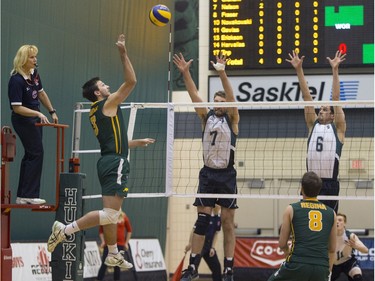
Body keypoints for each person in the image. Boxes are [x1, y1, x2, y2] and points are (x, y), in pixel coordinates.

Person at [47, 34, 155, 271]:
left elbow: (113, 140)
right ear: (97, 93)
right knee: (109, 215)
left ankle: (113, 253)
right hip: (114, 162)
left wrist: (135, 143)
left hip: (110, 159)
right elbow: (131, 81)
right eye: (103, 85)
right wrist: (123, 52)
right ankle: (65, 229)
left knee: (112, 214)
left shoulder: (97, 110)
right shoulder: (107, 104)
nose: (107, 86)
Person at [173, 52, 239, 281]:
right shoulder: (206, 117)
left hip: (227, 175)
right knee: (201, 221)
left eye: (223, 102)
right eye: (217, 102)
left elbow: (231, 98)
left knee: (228, 224)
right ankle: (192, 267)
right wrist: (185, 73)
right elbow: (193, 95)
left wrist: (222, 72)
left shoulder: (232, 119)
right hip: (208, 175)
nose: (220, 105)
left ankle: (229, 268)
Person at [286, 50, 347, 213]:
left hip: (329, 183)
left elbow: (336, 98)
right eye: (320, 108)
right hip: (310, 183)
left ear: (333, 115)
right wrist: (298, 70)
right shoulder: (313, 125)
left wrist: (335, 70)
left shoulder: (338, 129)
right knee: (305, 222)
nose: (321, 110)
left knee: (329, 223)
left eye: (325, 109)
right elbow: (307, 98)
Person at [8, 44, 59, 205]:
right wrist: (37, 113)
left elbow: (41, 93)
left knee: (33, 154)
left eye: (35, 56)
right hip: (23, 119)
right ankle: (27, 195)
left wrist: (52, 111)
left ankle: (24, 195)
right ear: (23, 59)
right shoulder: (16, 80)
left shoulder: (34, 74)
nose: (35, 59)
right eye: (31, 57)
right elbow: (17, 108)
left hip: (35, 119)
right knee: (36, 152)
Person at [267, 171, 337, 281]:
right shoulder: (331, 213)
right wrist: (328, 273)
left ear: (302, 188)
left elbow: (282, 244)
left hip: (297, 263)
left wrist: (287, 254)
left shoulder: (291, 209)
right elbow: (332, 249)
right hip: (321, 267)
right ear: (319, 190)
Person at [184, 205, 222, 281]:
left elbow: (216, 233)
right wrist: (190, 243)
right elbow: (194, 231)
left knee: (217, 268)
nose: (219, 207)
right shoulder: (206, 216)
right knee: (193, 268)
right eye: (218, 206)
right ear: (214, 206)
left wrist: (213, 247)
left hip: (209, 247)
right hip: (200, 246)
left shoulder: (218, 218)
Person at [97, 210, 136, 281]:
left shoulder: (124, 217)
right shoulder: (106, 216)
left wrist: (126, 242)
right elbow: (101, 231)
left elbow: (129, 230)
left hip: (120, 244)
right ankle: (99, 279)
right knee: (105, 263)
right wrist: (103, 241)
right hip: (108, 244)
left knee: (117, 265)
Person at [331, 213, 369, 281]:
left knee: (358, 277)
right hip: (332, 263)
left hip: (347, 262)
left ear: (344, 223)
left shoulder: (350, 236)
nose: (337, 222)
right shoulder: (328, 236)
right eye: (335, 220)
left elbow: (366, 250)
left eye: (340, 220)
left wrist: (356, 246)